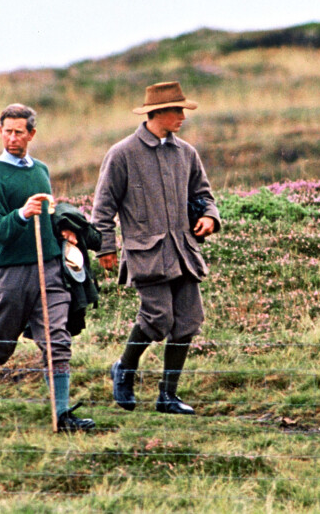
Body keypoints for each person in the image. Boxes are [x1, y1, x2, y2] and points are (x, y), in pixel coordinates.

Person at [0, 103, 95, 433]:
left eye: (19, 132)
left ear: (31, 134)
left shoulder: (41, 171)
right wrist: (21, 213)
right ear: (0, 132)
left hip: (49, 268)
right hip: (10, 273)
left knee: (57, 342)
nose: (12, 137)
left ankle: (61, 416)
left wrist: (60, 226)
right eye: (7, 131)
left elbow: (47, 215)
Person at [91, 81, 221, 415]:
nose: (183, 117)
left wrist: (209, 217)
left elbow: (203, 194)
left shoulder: (186, 153)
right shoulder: (122, 154)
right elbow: (103, 207)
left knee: (189, 321)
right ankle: (124, 368)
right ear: (157, 113)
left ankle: (168, 396)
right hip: (145, 254)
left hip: (184, 252)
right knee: (158, 317)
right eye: (178, 110)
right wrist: (106, 247)